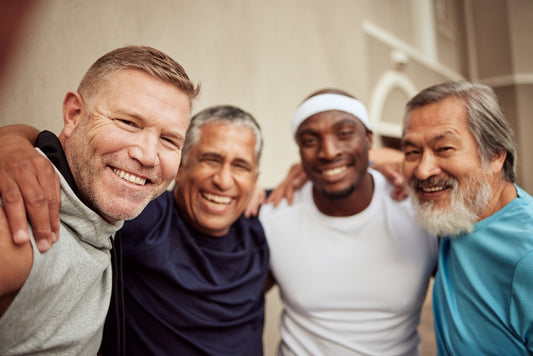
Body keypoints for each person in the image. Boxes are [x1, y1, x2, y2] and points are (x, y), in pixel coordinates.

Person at [0, 45, 199, 355]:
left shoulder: (102, 215)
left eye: (169, 139)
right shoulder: (18, 229)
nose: (147, 155)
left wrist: (14, 136)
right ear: (74, 115)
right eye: (128, 122)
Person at [259, 88, 438, 355]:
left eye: (344, 134)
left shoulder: (420, 211)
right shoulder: (273, 215)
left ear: (368, 139)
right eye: (310, 140)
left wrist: (396, 161)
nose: (328, 152)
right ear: (299, 151)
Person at [100, 105, 269, 355]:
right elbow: (68, 175)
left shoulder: (262, 221)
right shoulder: (143, 216)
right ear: (180, 167)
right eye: (211, 160)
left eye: (240, 166)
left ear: (255, 180)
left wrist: (298, 173)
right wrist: (21, 140)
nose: (223, 181)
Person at [401, 81, 533, 355]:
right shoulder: (458, 212)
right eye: (412, 152)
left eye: (445, 148)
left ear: (495, 155)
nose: (423, 170)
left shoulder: (527, 255)